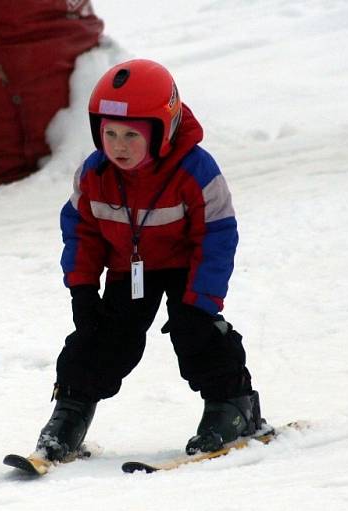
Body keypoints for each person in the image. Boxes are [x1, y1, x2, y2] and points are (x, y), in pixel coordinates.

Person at [35, 59, 264, 461]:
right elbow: (81, 231)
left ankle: (233, 407)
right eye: (109, 134)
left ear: (163, 131)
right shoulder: (94, 174)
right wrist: (83, 288)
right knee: (101, 337)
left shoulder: (197, 172)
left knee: (197, 333)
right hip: (130, 268)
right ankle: (70, 413)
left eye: (130, 135)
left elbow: (218, 236)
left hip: (186, 268)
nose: (119, 146)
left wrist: (202, 299)